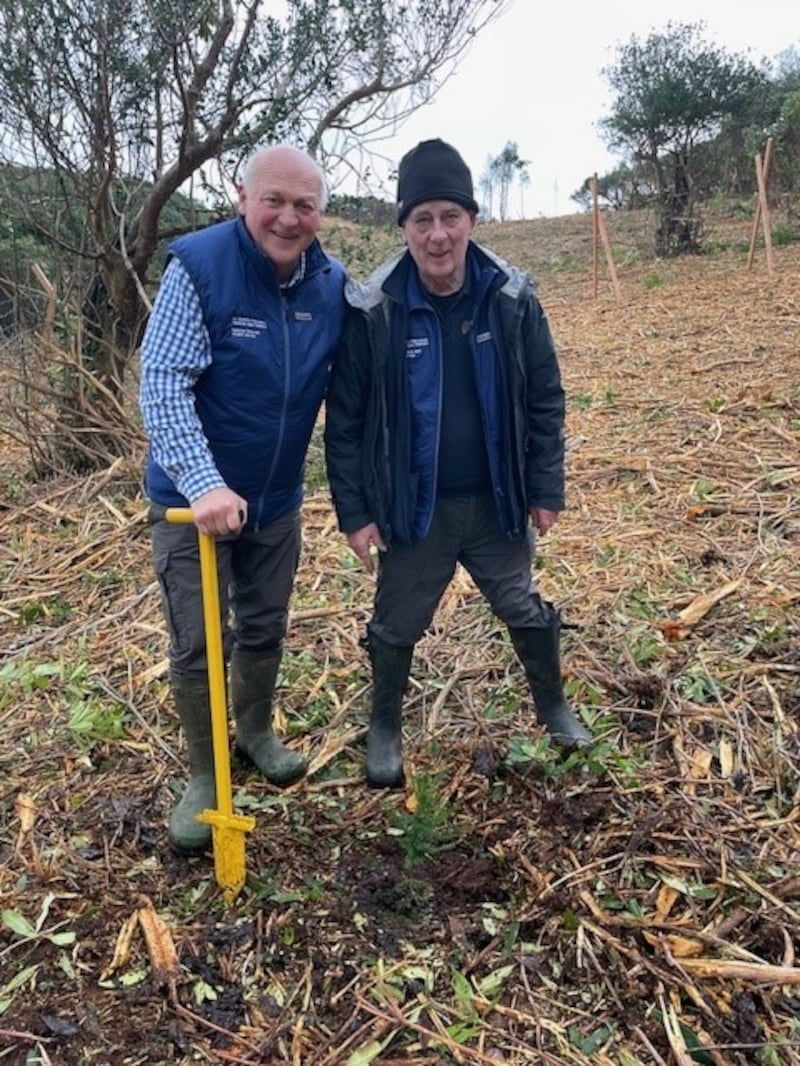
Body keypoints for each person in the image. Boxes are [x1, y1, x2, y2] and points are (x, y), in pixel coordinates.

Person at [324, 138, 590, 789]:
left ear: (471, 219)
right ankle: (385, 724)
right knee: (396, 621)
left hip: (498, 501)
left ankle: (553, 706)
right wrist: (355, 514)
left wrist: (546, 486)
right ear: (405, 227)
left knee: (523, 607)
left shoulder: (511, 299)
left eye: (450, 216)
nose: (438, 235)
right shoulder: (375, 310)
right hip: (417, 509)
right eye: (423, 219)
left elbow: (545, 398)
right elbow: (347, 420)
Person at [140, 144, 346, 851]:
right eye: (274, 201)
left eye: (305, 205)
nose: (288, 219)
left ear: (322, 212)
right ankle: (206, 772)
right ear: (240, 197)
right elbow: (163, 382)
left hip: (276, 499)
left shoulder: (330, 285)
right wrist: (203, 483)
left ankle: (255, 730)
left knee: (264, 623)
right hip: (190, 505)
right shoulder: (199, 268)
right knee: (199, 642)